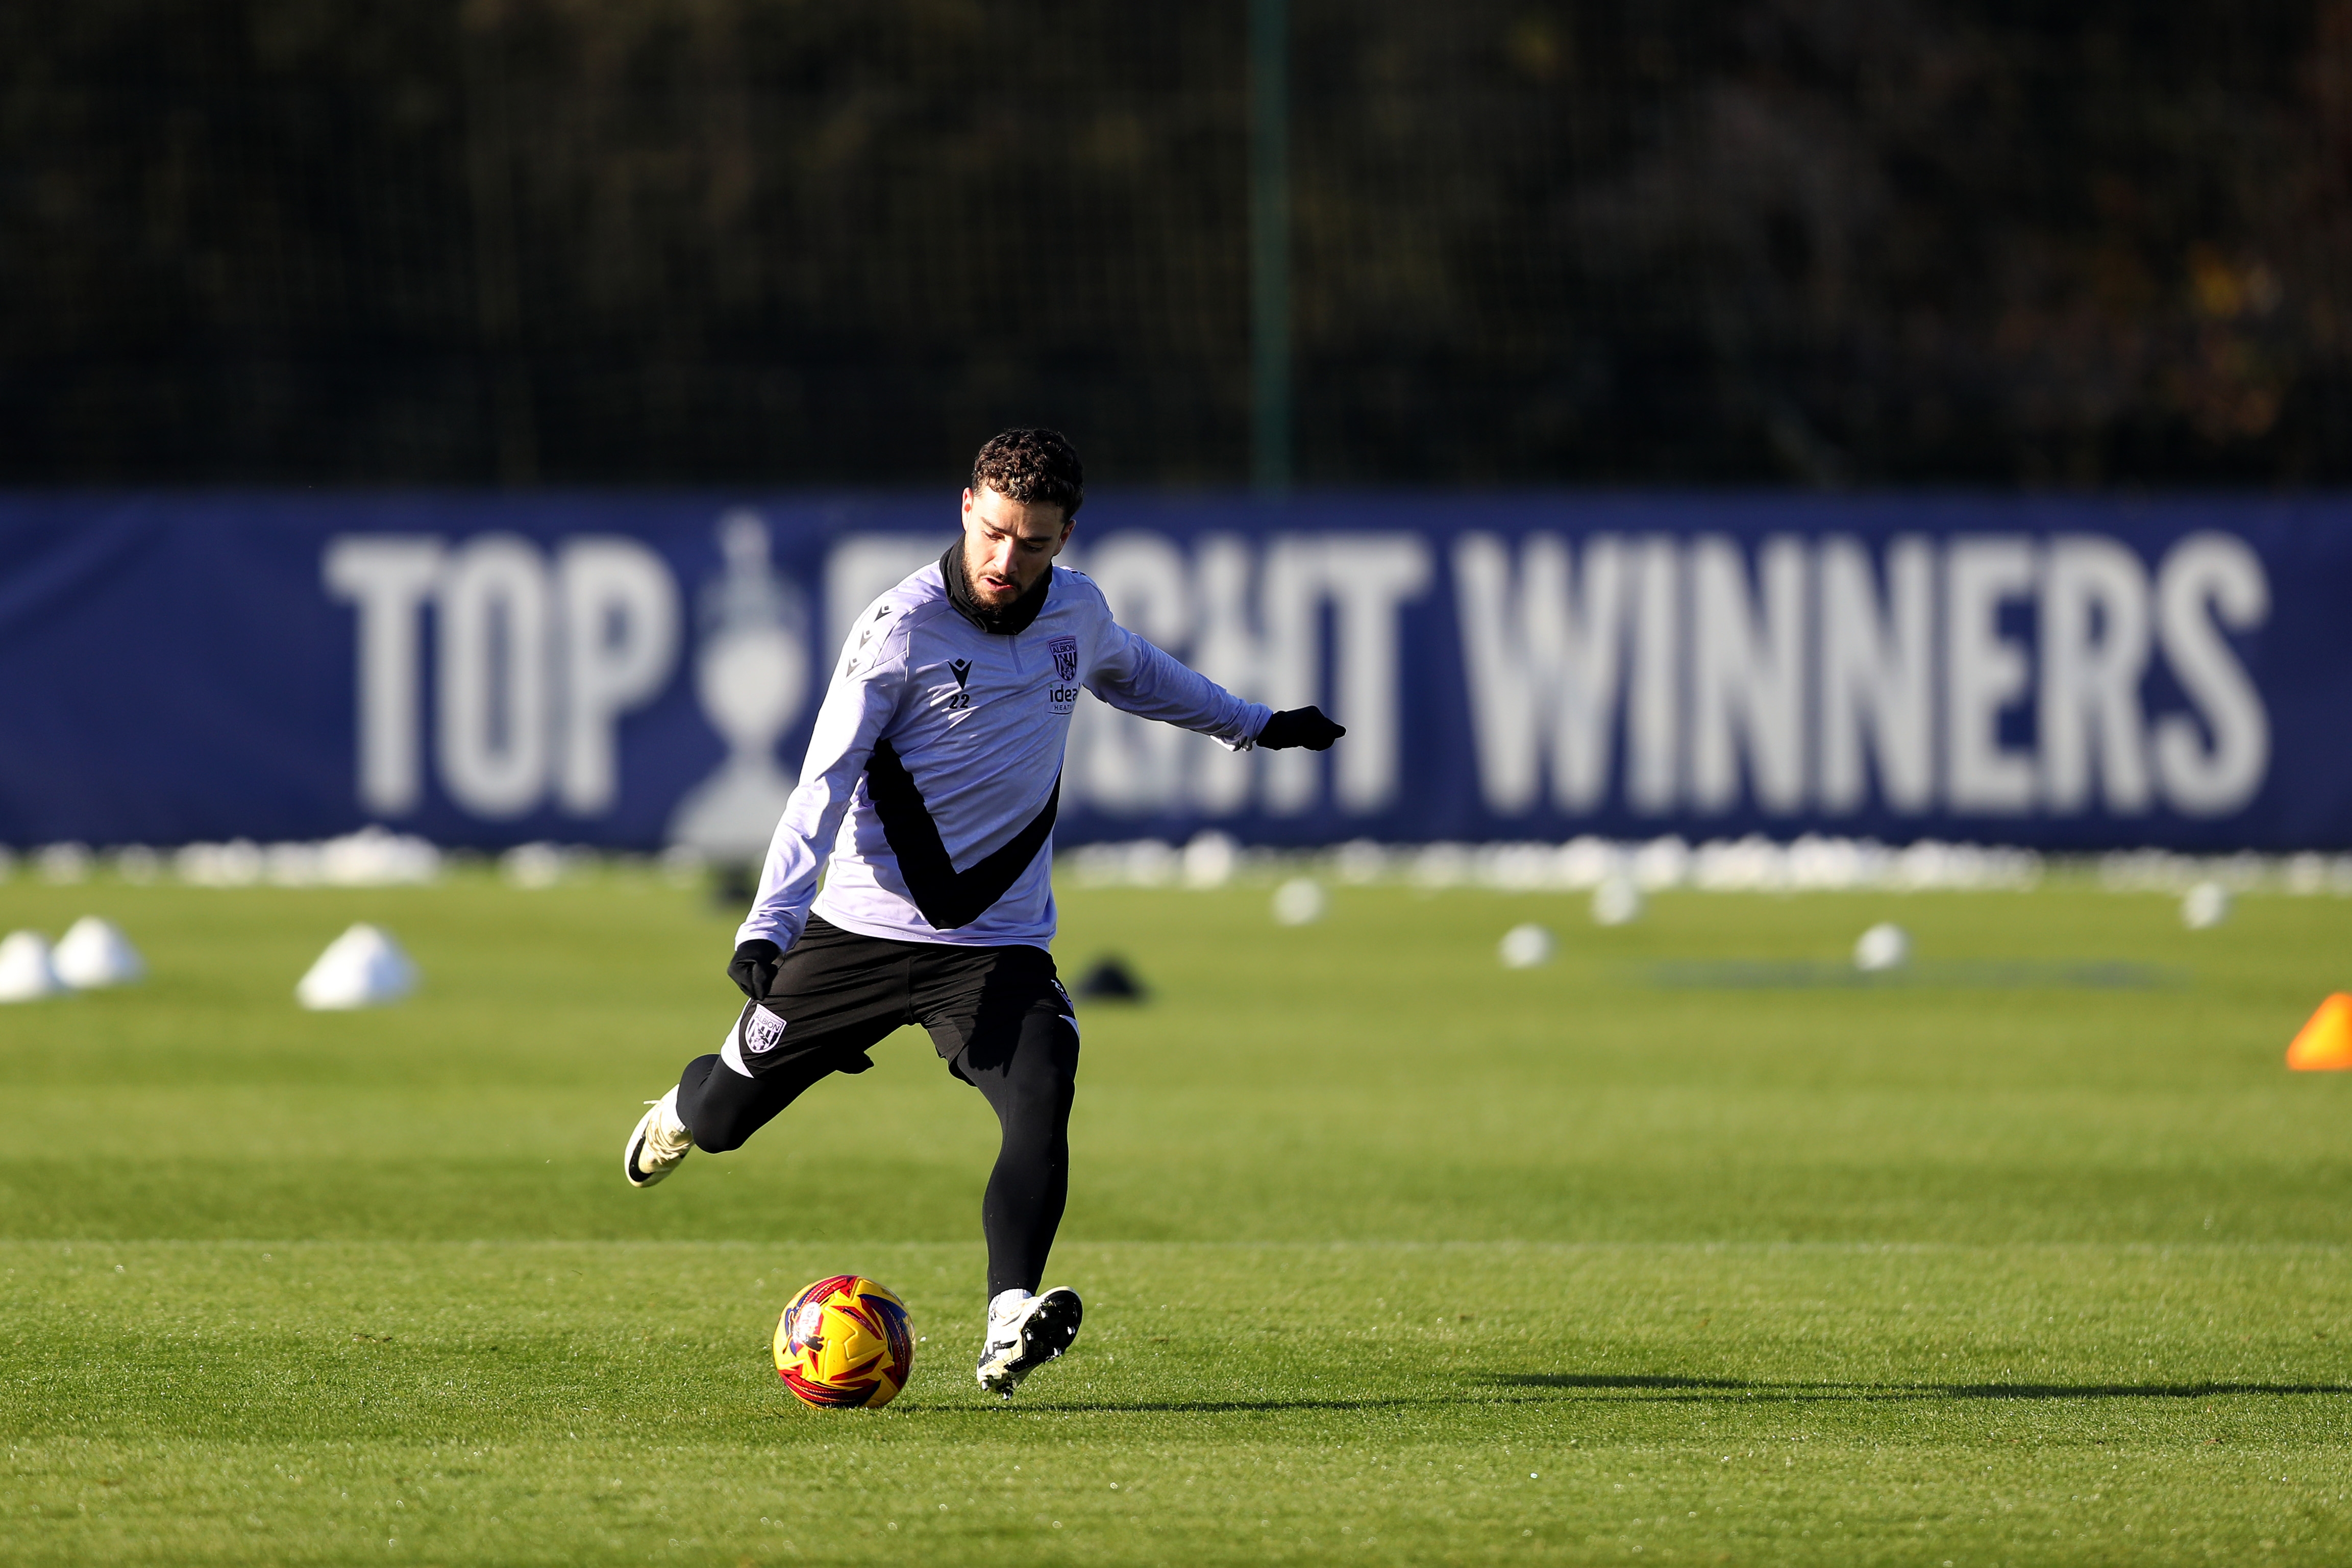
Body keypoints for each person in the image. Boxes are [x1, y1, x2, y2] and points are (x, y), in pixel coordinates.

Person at [621, 428, 1345, 1397]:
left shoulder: (1077, 611)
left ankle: (1009, 1315)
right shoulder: (898, 630)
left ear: (1066, 535)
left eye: (1035, 542)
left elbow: (1135, 671)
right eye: (997, 532)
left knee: (1044, 1089)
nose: (1009, 561)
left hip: (995, 945)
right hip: (858, 934)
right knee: (720, 1122)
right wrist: (770, 923)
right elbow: (821, 782)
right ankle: (678, 1105)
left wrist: (1253, 724)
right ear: (967, 507)